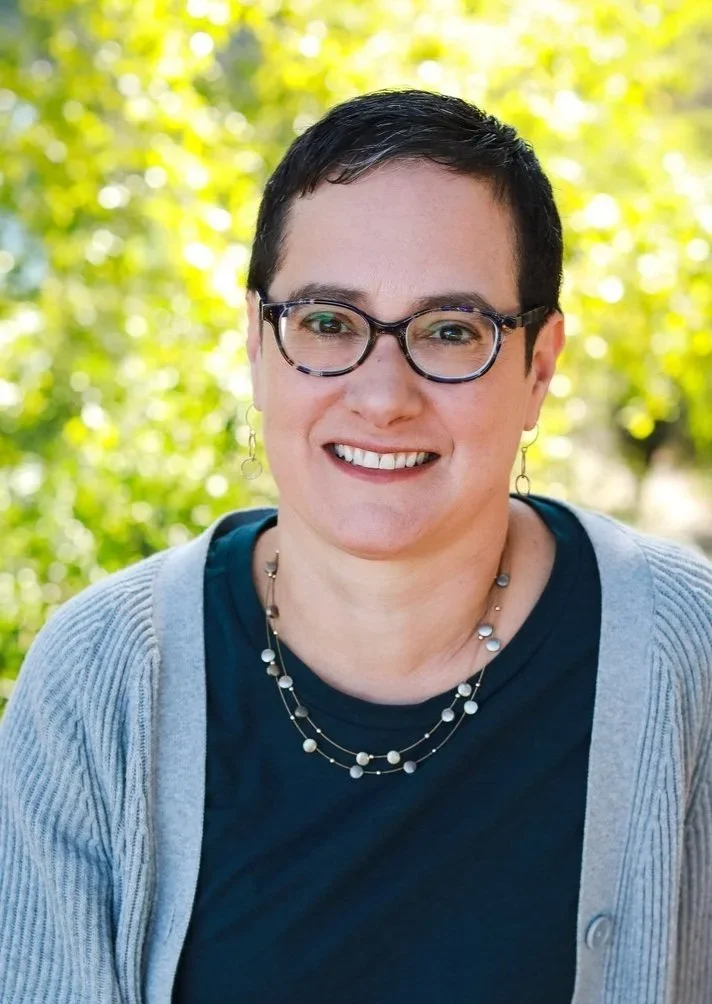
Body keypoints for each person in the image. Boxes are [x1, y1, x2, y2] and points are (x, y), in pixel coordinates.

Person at [0, 89, 710, 1004]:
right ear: (258, 343)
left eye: (451, 332)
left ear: (538, 366)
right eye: (329, 322)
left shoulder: (685, 653)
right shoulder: (100, 681)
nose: (382, 397)